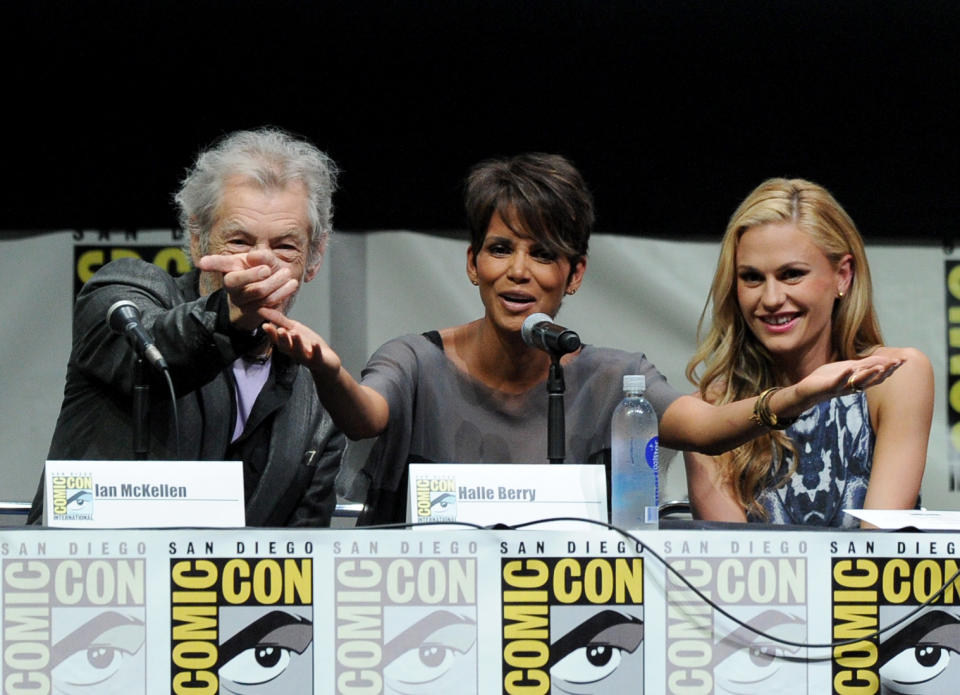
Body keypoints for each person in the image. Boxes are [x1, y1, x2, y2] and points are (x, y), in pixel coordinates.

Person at [260, 154, 904, 525]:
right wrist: (328, 372)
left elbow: (706, 429)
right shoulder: (413, 358)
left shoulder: (613, 378)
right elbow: (366, 416)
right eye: (500, 248)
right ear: (472, 263)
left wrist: (788, 400)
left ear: (575, 275)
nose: (518, 271)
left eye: (543, 254)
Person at [27, 128, 345, 527]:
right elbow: (151, 349)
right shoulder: (125, 293)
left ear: (313, 260)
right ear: (198, 241)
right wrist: (229, 316)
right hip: (89, 579)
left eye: (284, 245)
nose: (260, 263)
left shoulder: (317, 397)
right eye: (240, 241)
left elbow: (305, 553)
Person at [683, 178, 933, 527]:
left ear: (842, 276)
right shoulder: (708, 415)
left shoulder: (896, 376)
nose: (770, 299)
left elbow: (877, 552)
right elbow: (732, 569)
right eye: (752, 278)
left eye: (791, 274)